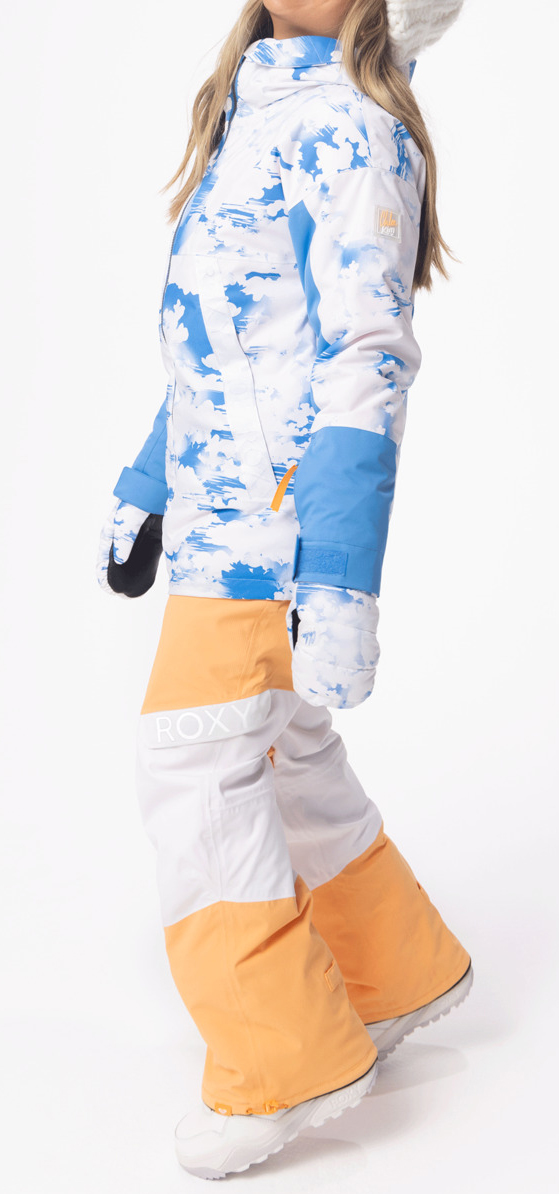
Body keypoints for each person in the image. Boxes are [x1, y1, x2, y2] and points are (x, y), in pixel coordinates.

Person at [97, 0, 471, 1180]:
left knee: (192, 764)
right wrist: (147, 486)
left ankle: (282, 1061)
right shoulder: (256, 106)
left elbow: (364, 361)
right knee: (279, 749)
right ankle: (393, 975)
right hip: (218, 515)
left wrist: (341, 579)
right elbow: (222, 345)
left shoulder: (354, 131)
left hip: (273, 528)